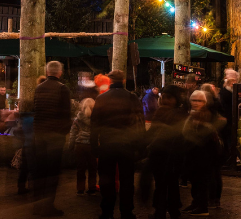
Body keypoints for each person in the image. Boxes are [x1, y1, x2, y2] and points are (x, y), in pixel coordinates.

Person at [91, 70, 144, 219]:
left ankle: (107, 211)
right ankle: (126, 211)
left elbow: (94, 124)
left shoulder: (101, 98)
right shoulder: (132, 98)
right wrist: (140, 146)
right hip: (127, 145)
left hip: (107, 145)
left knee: (106, 180)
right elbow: (139, 122)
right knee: (127, 180)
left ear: (110, 81)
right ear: (124, 81)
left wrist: (94, 145)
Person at [32, 61, 72, 216]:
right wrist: (63, 133)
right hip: (55, 136)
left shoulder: (38, 88)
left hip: (39, 135)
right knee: (52, 173)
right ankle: (48, 206)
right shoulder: (63, 89)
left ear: (47, 72)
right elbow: (66, 115)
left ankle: (37, 206)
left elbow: (36, 111)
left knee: (39, 171)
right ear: (59, 72)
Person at [181, 89, 226, 216]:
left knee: (202, 180)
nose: (196, 103)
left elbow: (214, 129)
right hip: (193, 153)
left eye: (199, 101)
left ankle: (202, 206)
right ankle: (196, 202)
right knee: (194, 179)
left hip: (205, 154)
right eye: (194, 100)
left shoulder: (209, 114)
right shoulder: (192, 114)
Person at [148, 86, 187, 219]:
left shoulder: (166, 112)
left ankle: (161, 211)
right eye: (163, 97)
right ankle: (173, 209)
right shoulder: (179, 113)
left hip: (165, 154)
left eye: (168, 97)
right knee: (169, 183)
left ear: (176, 99)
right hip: (169, 155)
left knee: (164, 183)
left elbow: (154, 132)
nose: (165, 100)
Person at [69, 97, 98, 195]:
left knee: (80, 168)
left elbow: (73, 133)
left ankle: (80, 188)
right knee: (92, 168)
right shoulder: (96, 120)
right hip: (91, 145)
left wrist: (71, 146)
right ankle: (92, 188)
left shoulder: (77, 119)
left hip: (79, 145)